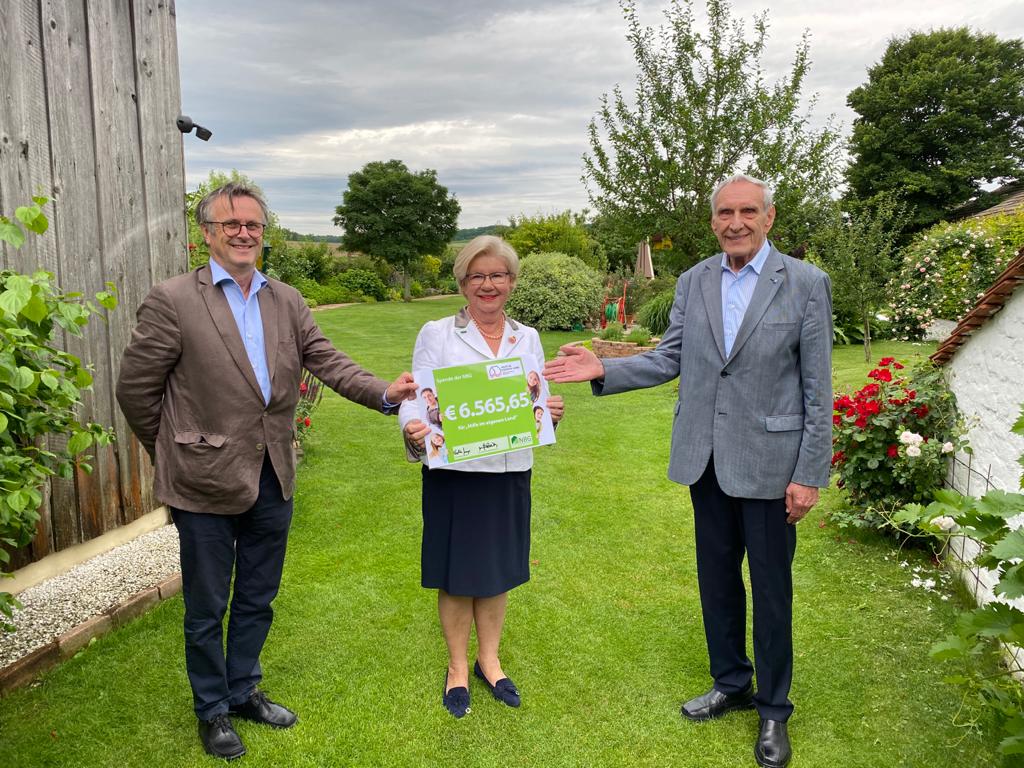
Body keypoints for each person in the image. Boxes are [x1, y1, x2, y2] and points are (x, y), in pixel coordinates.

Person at [116, 182, 417, 760]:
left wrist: (385, 392)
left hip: (272, 474)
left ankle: (242, 689)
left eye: (252, 223)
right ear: (205, 233)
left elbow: (327, 360)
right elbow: (136, 389)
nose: (243, 232)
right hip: (201, 482)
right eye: (229, 223)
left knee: (258, 596)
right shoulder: (174, 299)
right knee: (207, 604)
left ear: (263, 232)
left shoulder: (287, 300)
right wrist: (174, 450)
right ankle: (211, 711)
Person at [544, 175, 831, 768]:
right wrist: (604, 369)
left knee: (772, 593)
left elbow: (817, 389)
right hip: (705, 461)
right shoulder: (694, 281)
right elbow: (671, 356)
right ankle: (730, 682)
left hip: (773, 468)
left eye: (747, 211)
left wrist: (809, 473)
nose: (736, 222)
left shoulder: (805, 284)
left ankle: (774, 710)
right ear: (712, 222)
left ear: (769, 217)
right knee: (717, 580)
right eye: (725, 212)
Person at [400, 235, 564, 718]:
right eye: (478, 276)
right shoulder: (437, 332)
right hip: (456, 474)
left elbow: (537, 403)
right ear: (463, 283)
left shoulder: (527, 337)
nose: (488, 284)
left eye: (497, 275)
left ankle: (489, 661)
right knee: (457, 575)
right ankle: (456, 667)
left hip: (509, 473)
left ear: (511, 282)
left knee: (495, 574)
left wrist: (552, 413)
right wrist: (412, 425)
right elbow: (416, 395)